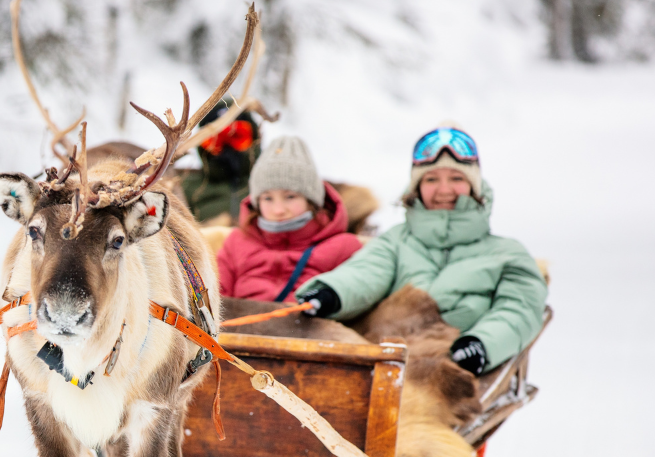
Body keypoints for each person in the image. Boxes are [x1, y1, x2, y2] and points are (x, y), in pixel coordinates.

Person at [295, 123, 548, 375]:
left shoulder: (508, 255)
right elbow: (365, 273)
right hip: (385, 365)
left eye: (457, 178)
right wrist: (331, 292)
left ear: (475, 186)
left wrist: (481, 344)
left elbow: (519, 310)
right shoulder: (395, 242)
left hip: (450, 373)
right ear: (417, 187)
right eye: (432, 179)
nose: (444, 189)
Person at [216, 136, 363, 302]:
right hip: (238, 326)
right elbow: (216, 298)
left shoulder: (343, 247)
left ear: (311, 201)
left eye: (290, 197)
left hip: (312, 326)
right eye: (268, 199)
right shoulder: (236, 243)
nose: (278, 210)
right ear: (256, 202)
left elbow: (357, 293)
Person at [180, 101, 261, 225]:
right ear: (202, 145)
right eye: (216, 140)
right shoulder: (185, 190)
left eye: (237, 136)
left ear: (254, 139)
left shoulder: (270, 189)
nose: (227, 147)